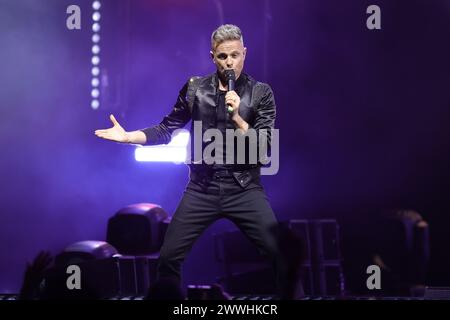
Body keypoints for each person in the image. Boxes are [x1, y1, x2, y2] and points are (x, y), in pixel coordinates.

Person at [95, 24, 291, 298]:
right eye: (223, 56)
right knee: (168, 258)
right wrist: (129, 137)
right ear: (212, 56)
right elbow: (166, 128)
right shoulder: (195, 89)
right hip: (202, 188)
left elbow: (264, 144)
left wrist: (237, 117)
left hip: (245, 188)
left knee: (281, 257)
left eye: (235, 55)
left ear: (244, 53)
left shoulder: (260, 93)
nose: (229, 62)